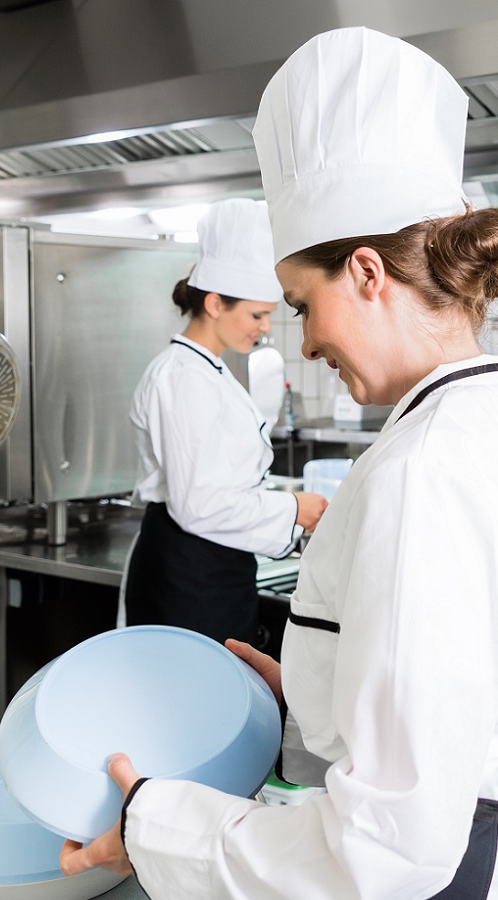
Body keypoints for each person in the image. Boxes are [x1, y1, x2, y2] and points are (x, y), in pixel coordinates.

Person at [61, 27, 498, 900]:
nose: (307, 340)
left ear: (364, 273)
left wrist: (151, 823)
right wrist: (322, 690)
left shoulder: (425, 467)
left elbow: (387, 852)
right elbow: (470, 687)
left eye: (301, 304)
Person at [123, 198, 328, 647]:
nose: (263, 328)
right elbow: (198, 505)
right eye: (257, 315)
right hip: (188, 572)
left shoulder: (206, 370)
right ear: (215, 303)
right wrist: (293, 511)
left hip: (210, 564)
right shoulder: (182, 377)